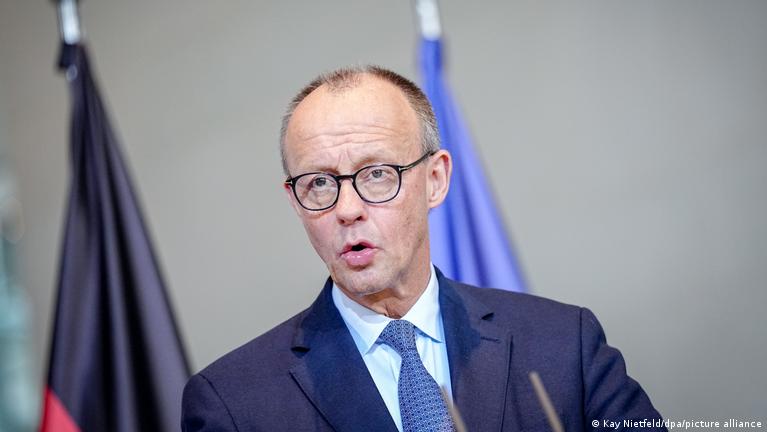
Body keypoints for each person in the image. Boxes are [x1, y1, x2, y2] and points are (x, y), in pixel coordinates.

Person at [181, 66, 666, 432]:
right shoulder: (233, 403)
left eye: (377, 174)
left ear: (435, 180)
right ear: (294, 200)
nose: (346, 209)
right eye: (319, 183)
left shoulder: (563, 345)